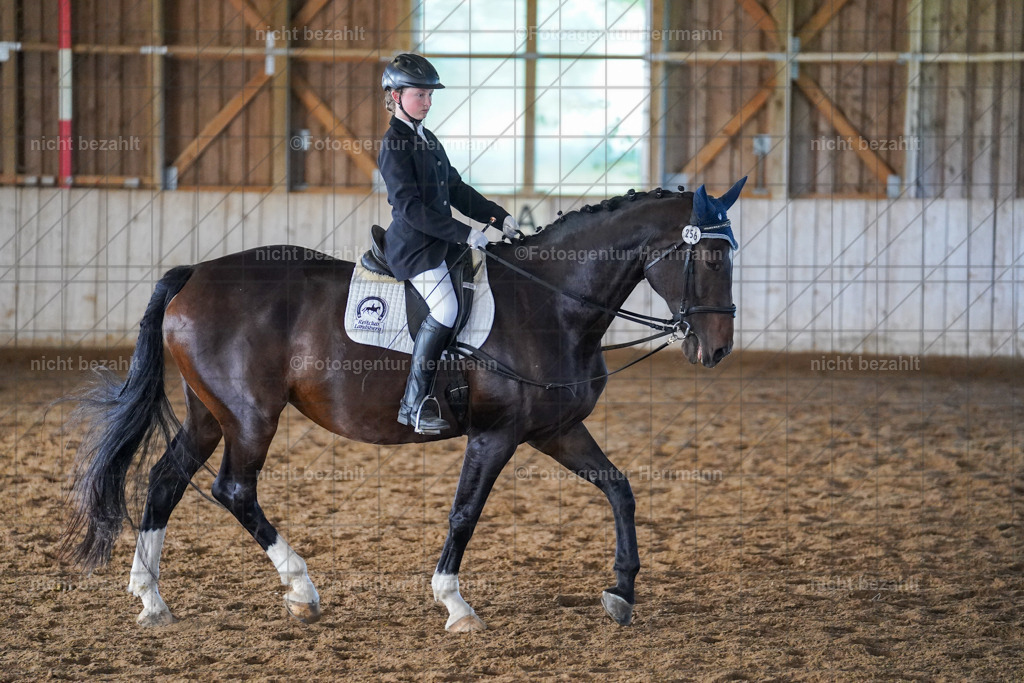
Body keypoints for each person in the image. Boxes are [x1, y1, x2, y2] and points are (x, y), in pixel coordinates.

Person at [379, 53, 519, 434]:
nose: (426, 102)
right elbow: (408, 208)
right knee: (445, 308)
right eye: (419, 95)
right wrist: (464, 233)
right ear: (395, 95)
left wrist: (497, 217)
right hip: (415, 249)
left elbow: (455, 189)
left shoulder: (428, 138)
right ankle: (413, 404)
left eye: (429, 95)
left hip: (442, 243)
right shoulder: (395, 144)